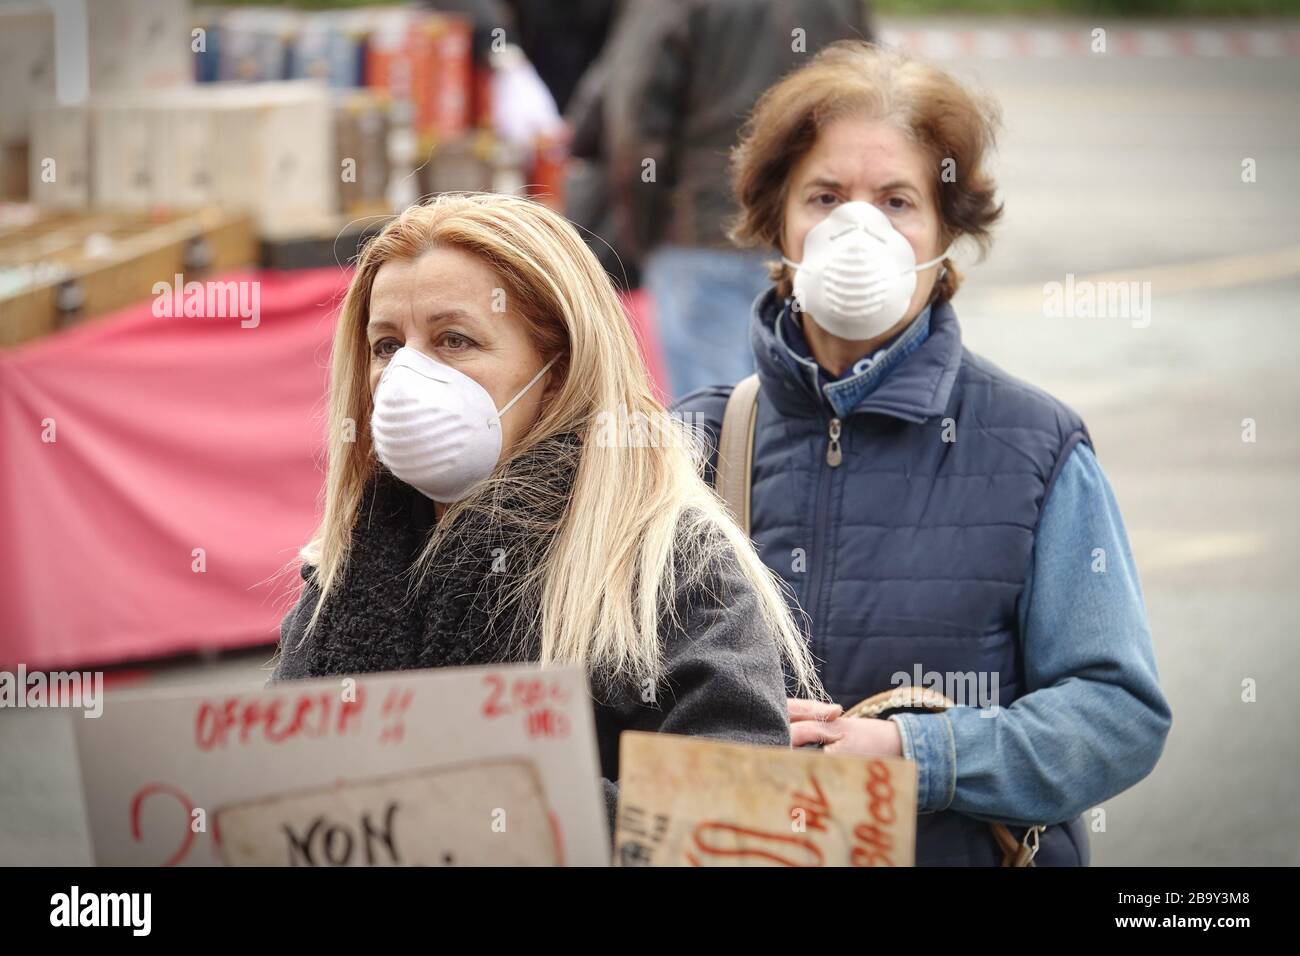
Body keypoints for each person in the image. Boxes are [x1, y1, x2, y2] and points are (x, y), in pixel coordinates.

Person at [674, 42, 1172, 866]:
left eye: (897, 201)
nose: (857, 228)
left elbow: (1117, 715)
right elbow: (603, 697)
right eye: (825, 196)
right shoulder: (687, 444)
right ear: (779, 221)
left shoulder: (1036, 448)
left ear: (947, 233)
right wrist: (722, 735)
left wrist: (925, 756)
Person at [269, 193, 823, 835]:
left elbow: (735, 822)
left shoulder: (661, 567)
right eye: (388, 345)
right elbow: (276, 792)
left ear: (558, 371)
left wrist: (472, 810)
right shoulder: (346, 570)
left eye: (455, 340)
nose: (406, 377)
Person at [599, 0, 873, 398]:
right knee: (808, 410)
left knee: (714, 426)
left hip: (703, 236)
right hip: (812, 233)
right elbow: (871, 94)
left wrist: (643, 235)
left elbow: (635, 124)